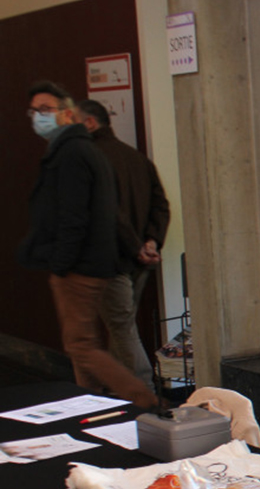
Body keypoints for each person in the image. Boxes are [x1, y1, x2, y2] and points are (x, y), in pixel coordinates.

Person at [17, 82, 158, 410]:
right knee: (111, 334)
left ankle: (142, 399)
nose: (38, 117)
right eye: (34, 111)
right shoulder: (91, 152)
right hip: (111, 262)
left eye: (45, 110)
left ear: (69, 114)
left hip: (83, 265)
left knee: (82, 345)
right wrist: (142, 245)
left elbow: (76, 217)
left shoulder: (73, 153)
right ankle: (94, 404)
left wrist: (61, 263)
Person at [76, 99, 171, 389]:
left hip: (108, 260)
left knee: (120, 328)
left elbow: (109, 213)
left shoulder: (87, 160)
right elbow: (160, 204)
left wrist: (135, 246)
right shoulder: (136, 158)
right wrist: (151, 242)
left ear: (90, 123)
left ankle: (143, 392)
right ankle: (118, 391)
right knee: (120, 327)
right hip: (138, 262)